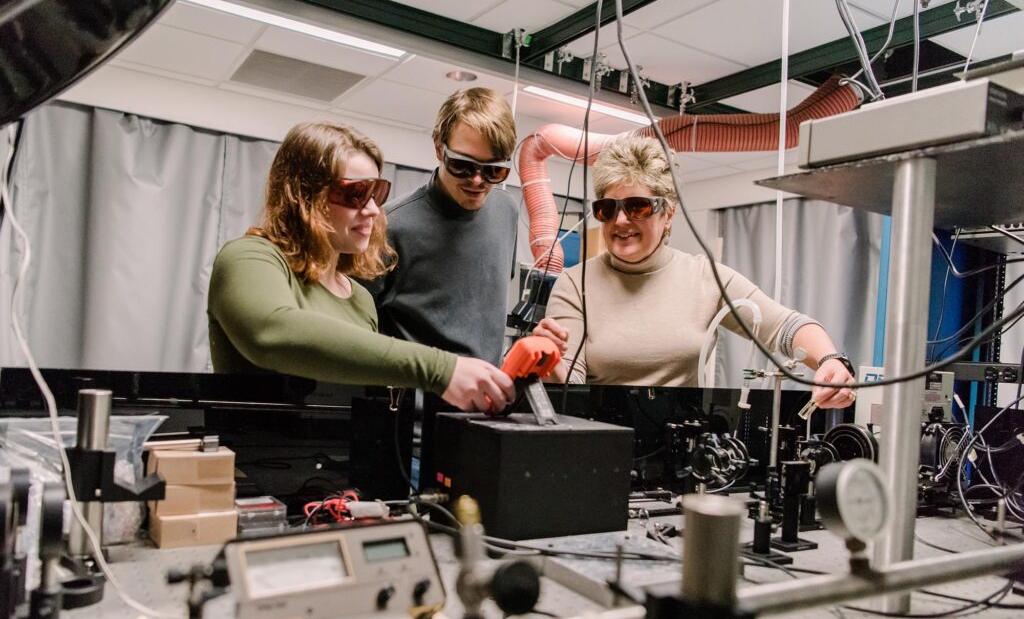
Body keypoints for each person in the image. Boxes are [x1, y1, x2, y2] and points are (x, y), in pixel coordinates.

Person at [207, 121, 514, 412]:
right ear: (304, 196)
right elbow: (273, 334)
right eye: (355, 194)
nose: (371, 210)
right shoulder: (249, 258)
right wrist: (441, 369)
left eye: (375, 193)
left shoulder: (359, 298)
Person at [532, 135, 855, 409]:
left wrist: (830, 362)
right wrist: (547, 361)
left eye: (638, 207)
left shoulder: (704, 278)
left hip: (680, 450)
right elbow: (569, 387)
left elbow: (785, 326)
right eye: (608, 209)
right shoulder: (575, 284)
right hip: (597, 443)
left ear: (668, 214)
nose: (620, 221)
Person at [361, 87, 518, 366]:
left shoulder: (507, 210)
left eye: (494, 170)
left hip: (487, 400)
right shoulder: (388, 226)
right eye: (462, 165)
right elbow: (357, 331)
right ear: (438, 148)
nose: (478, 181)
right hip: (417, 398)